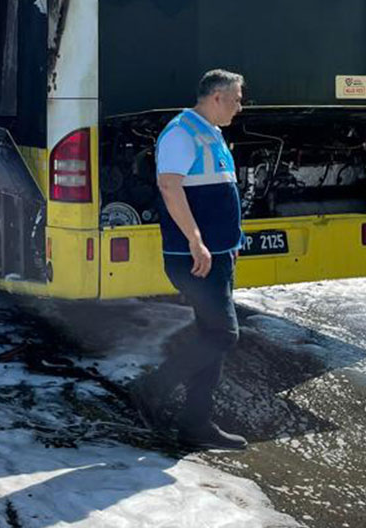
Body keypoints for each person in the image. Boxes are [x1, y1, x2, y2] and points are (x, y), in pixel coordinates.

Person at [131, 69, 247, 451]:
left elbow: (217, 195)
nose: (239, 105)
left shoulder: (211, 134)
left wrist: (231, 242)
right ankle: (151, 389)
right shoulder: (181, 132)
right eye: (236, 98)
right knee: (222, 334)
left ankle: (196, 424)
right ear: (217, 96)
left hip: (216, 255)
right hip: (194, 258)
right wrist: (196, 241)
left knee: (209, 335)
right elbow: (169, 186)